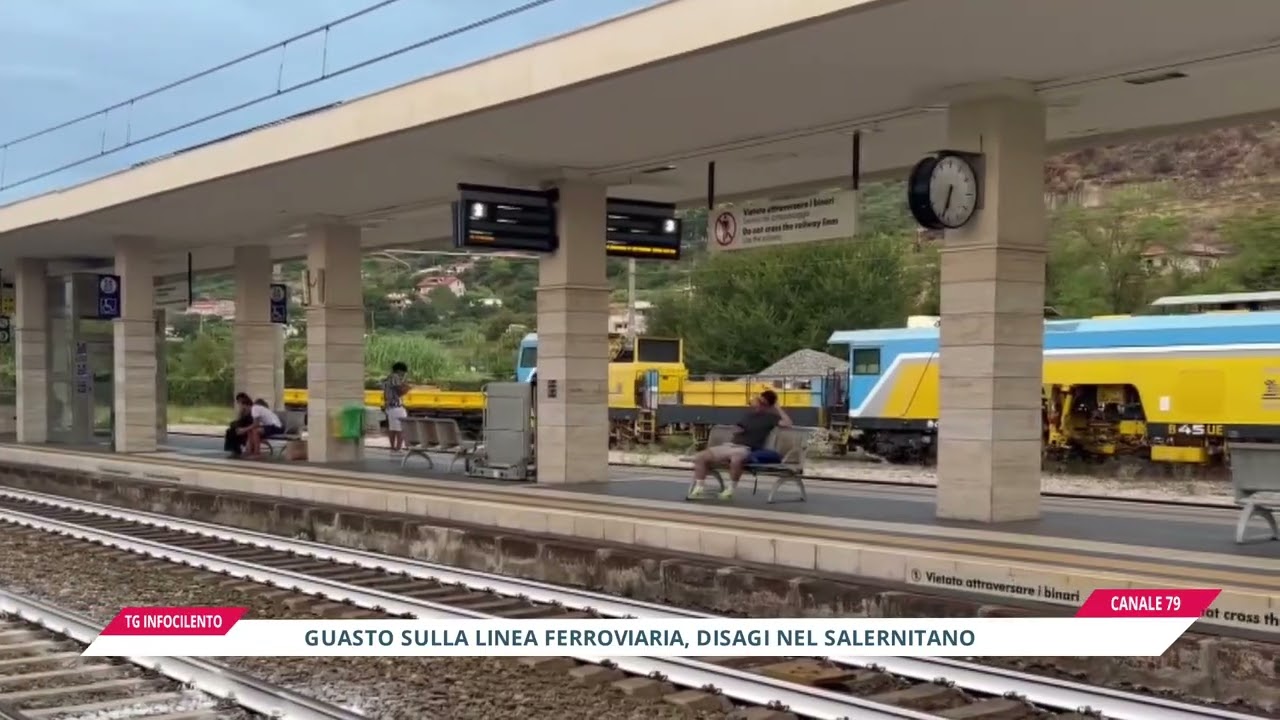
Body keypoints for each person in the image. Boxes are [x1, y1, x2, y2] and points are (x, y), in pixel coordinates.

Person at [690, 389, 791, 500]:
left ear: (768, 405)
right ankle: (699, 488)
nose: (758, 404)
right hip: (730, 445)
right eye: (758, 401)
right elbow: (737, 427)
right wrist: (737, 429)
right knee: (700, 457)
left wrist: (777, 407)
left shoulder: (771, 418)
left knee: (736, 459)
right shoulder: (748, 415)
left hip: (746, 448)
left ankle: (730, 489)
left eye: (762, 403)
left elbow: (788, 423)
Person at [382, 362, 411, 452]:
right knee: (400, 429)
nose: (403, 375)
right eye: (403, 372)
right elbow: (399, 391)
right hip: (397, 406)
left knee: (392, 428)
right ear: (399, 370)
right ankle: (398, 448)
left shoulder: (387, 378)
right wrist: (407, 388)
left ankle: (392, 447)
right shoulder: (395, 377)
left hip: (389, 406)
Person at [224, 393, 255, 458]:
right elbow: (239, 419)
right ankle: (235, 450)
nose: (239, 402)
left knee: (233, 431)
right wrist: (241, 411)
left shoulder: (251, 408)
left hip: (248, 427)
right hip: (242, 426)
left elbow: (252, 421)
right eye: (238, 401)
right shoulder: (242, 409)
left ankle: (236, 451)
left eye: (240, 400)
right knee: (230, 430)